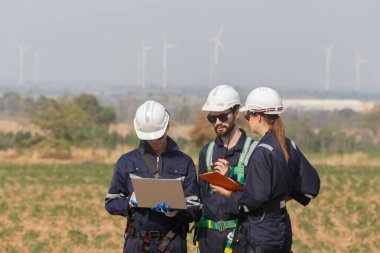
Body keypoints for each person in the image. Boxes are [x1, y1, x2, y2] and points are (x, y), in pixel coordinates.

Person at [226, 87, 320, 253]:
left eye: (248, 115)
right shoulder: (288, 144)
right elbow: (311, 187)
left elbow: (255, 198)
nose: (247, 120)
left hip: (262, 232)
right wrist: (280, 200)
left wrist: (228, 194)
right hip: (282, 227)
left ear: (259, 116)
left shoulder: (262, 151)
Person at [105, 100, 200, 253]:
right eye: (149, 137)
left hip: (172, 243)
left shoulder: (185, 162)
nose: (154, 141)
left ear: (167, 125)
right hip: (137, 244)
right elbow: (111, 202)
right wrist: (130, 203)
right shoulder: (127, 161)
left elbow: (195, 208)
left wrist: (176, 212)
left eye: (158, 136)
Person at [194, 85, 258, 253]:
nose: (217, 123)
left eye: (222, 116)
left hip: (240, 237)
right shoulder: (206, 152)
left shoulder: (254, 151)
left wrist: (230, 179)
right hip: (208, 238)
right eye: (212, 118)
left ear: (237, 113)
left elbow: (257, 197)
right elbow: (200, 196)